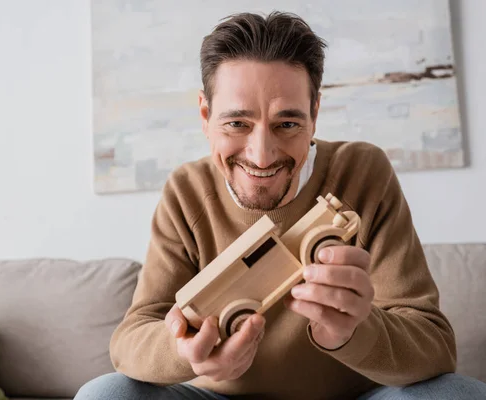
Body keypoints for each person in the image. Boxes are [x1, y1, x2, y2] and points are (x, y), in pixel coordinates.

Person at [75, 11, 486, 400]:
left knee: (459, 394)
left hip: (356, 396)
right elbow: (129, 341)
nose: (262, 155)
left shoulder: (363, 172)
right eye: (237, 123)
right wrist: (185, 353)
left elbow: (435, 348)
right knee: (104, 394)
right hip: (215, 395)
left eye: (287, 124)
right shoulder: (187, 190)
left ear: (315, 112)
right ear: (205, 114)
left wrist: (353, 333)